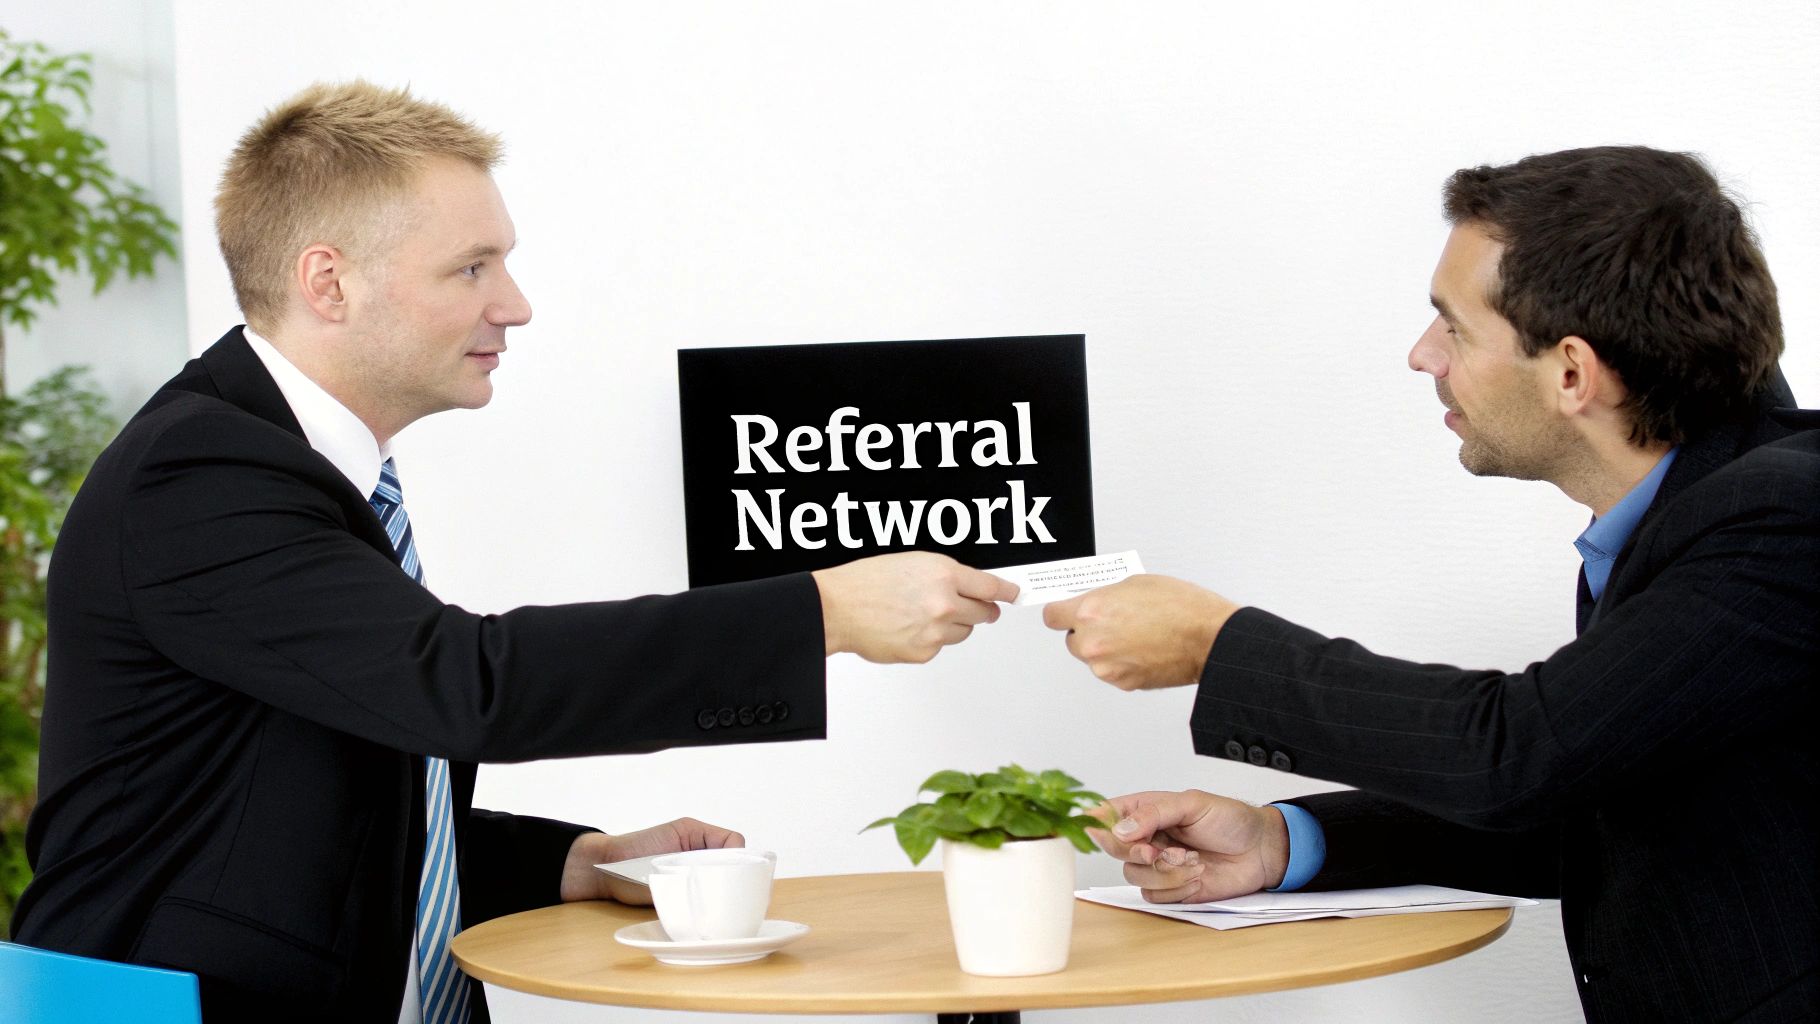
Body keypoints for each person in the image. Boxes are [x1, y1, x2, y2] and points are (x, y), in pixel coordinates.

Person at [12, 81, 1017, 1022]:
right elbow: (460, 683)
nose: (515, 304)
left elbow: (294, 801)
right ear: (329, 282)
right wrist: (822, 613)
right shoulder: (199, 474)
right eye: (471, 266)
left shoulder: (294, 466)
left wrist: (574, 861)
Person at [1046, 147, 1818, 1023]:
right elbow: (1606, 798)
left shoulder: (1786, 519)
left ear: (1573, 373)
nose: (1422, 356)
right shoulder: (1693, 509)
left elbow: (1523, 752)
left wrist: (1214, 645)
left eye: (1452, 326)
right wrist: (1282, 841)